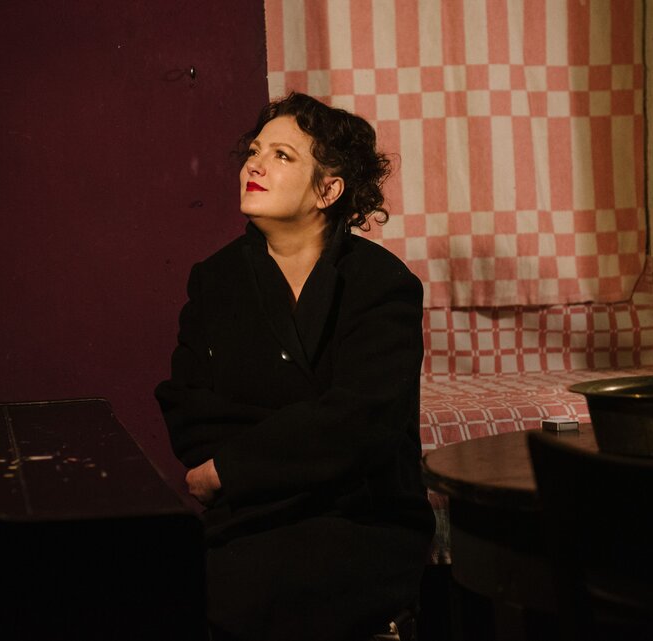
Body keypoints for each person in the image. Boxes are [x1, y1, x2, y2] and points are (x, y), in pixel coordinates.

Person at [155, 93, 435, 641]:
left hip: (360, 522)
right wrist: (301, 444)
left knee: (291, 590)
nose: (254, 166)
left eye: (281, 156)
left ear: (328, 190)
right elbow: (188, 409)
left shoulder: (382, 284)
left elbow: (363, 423)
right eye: (254, 152)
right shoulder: (215, 280)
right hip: (246, 521)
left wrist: (233, 468)